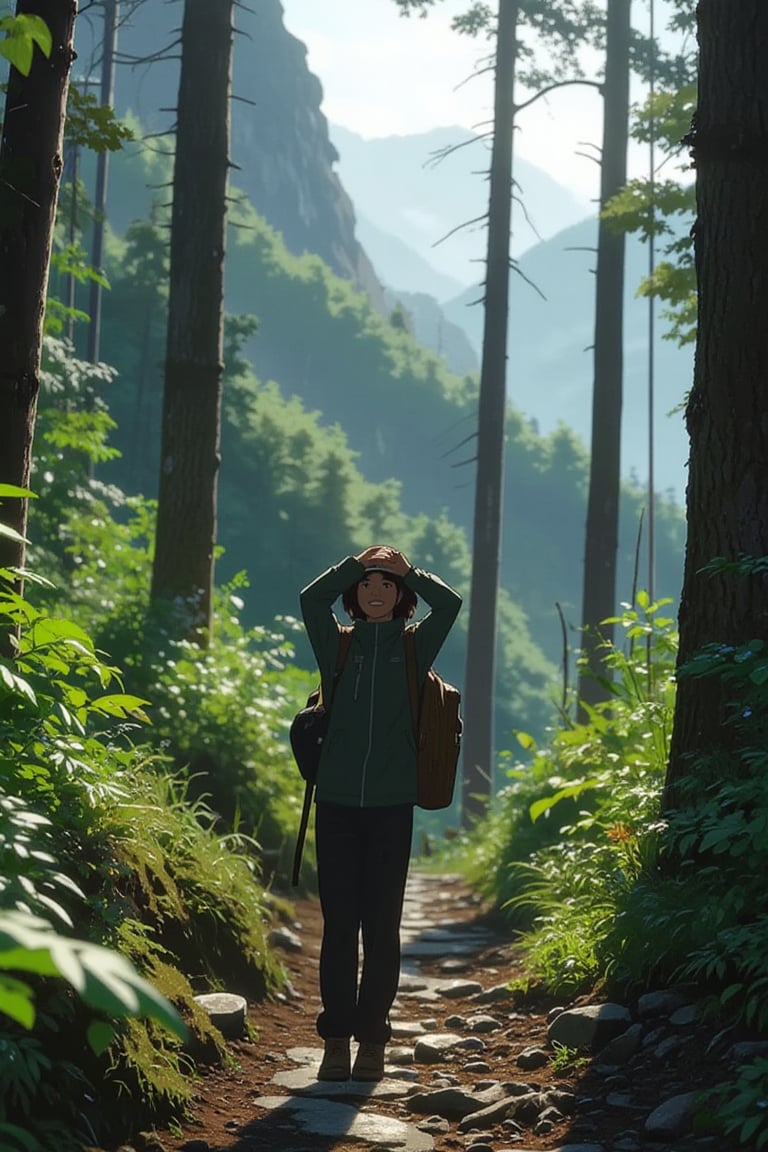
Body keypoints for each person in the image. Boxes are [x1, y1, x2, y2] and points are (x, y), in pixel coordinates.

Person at [299, 545, 462, 1082]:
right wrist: (355, 562)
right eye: (367, 586)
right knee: (340, 926)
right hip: (338, 804)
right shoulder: (337, 648)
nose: (375, 592)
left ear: (401, 598)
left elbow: (451, 604)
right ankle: (336, 1042)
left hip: (393, 806)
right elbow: (310, 599)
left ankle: (374, 1041)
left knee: (382, 927)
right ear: (354, 596)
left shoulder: (414, 649)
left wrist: (407, 569)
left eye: (386, 586)